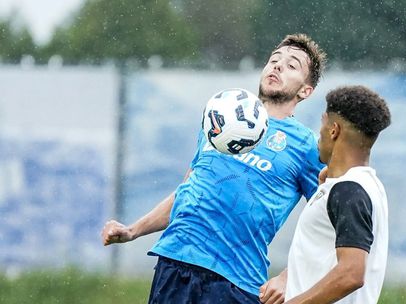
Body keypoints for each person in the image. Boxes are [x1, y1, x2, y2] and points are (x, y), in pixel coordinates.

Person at [101, 33, 327, 303]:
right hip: (175, 262)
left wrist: (290, 275)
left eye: (292, 65)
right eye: (274, 60)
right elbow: (188, 191)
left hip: (235, 281)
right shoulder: (222, 116)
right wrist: (133, 230)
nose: (277, 66)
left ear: (306, 90)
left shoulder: (307, 145)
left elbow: (327, 221)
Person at [263, 85, 391, 304]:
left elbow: (351, 272)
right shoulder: (366, 186)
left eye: (322, 124)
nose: (318, 134)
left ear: (334, 130)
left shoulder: (348, 190)